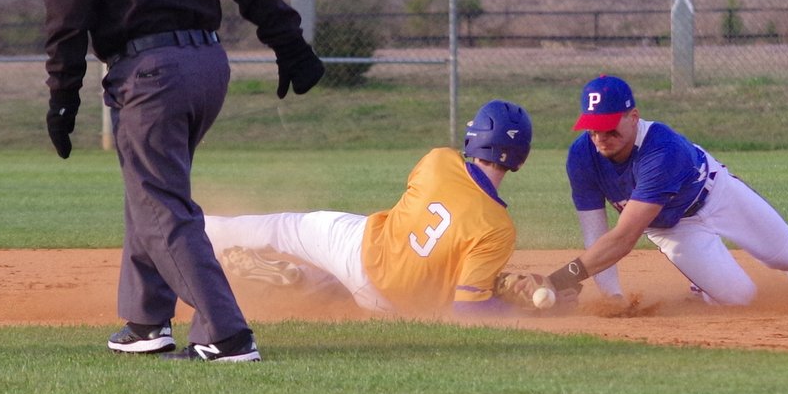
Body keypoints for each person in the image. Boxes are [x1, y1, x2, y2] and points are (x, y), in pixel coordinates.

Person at [42, 0, 324, 362]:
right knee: (151, 191)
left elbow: (66, 21)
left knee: (161, 204)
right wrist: (291, 47)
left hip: (150, 74)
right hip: (208, 67)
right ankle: (147, 320)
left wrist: (63, 97)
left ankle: (226, 333)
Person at [203, 100, 541, 316]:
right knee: (358, 280)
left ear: (473, 138)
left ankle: (196, 228)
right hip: (390, 305)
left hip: (359, 251)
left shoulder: (439, 161)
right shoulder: (499, 228)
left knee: (284, 229)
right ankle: (303, 279)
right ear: (520, 160)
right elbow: (468, 308)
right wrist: (522, 311)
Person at [544, 75, 788, 306]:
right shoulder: (582, 157)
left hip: (717, 195)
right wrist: (613, 297)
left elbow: (623, 238)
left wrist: (557, 280)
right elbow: (597, 236)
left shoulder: (662, 150)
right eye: (593, 128)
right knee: (741, 299)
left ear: (633, 117)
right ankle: (703, 285)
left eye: (609, 127)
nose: (601, 137)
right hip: (672, 228)